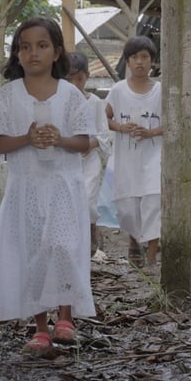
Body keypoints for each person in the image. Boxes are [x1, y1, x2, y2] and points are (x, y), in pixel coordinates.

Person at [0, 17, 96, 355]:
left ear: (57, 51)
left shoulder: (70, 95)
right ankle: (40, 326)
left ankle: (66, 317)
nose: (33, 53)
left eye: (41, 45)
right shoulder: (7, 96)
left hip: (63, 187)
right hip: (25, 187)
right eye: (24, 47)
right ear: (16, 54)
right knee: (32, 255)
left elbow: (85, 142)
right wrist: (26, 138)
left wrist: (60, 139)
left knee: (62, 247)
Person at [105, 36, 163, 269]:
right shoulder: (118, 90)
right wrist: (121, 127)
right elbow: (105, 116)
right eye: (134, 57)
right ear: (127, 61)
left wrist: (151, 133)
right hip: (126, 159)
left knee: (152, 202)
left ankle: (150, 257)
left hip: (153, 157)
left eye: (145, 57)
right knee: (128, 207)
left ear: (152, 61)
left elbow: (173, 122)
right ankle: (133, 239)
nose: (140, 62)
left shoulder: (161, 90)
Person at [65, 52, 111, 255]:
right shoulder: (59, 103)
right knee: (69, 202)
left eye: (80, 79)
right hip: (67, 160)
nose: (75, 84)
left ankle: (90, 232)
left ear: (87, 77)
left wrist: (88, 144)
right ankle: (74, 244)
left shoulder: (94, 103)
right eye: (69, 79)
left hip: (89, 159)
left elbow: (103, 134)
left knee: (87, 198)